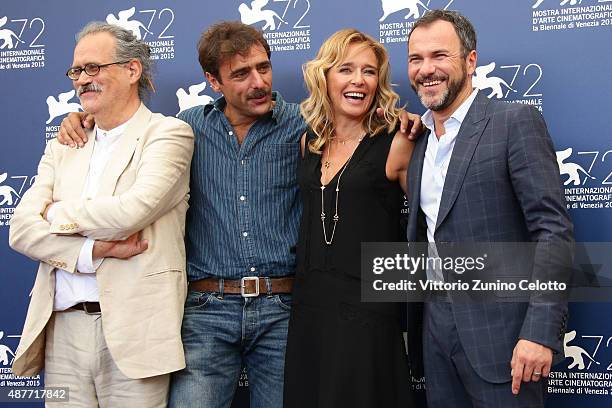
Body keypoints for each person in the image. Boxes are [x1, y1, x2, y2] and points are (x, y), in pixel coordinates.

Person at [57, 21, 422, 408]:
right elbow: (130, 130)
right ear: (214, 81)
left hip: (285, 310)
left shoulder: (306, 127)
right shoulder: (186, 128)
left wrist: (408, 118)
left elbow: (361, 129)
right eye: (241, 74)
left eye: (263, 68)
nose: (259, 82)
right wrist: (87, 119)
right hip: (206, 310)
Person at [9, 22, 194, 407]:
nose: (81, 80)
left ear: (132, 70)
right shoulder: (63, 145)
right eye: (77, 71)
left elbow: (133, 210)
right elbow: (21, 230)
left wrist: (56, 214)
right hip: (61, 333)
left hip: (137, 334)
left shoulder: (168, 134)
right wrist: (91, 252)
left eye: (93, 68)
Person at [405, 10, 573, 407]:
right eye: (416, 59)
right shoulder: (418, 141)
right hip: (435, 334)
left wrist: (539, 332)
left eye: (439, 56)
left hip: (505, 339)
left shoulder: (514, 121)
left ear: (470, 61)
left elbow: (552, 232)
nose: (426, 70)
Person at [283, 29, 415, 408]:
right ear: (324, 77)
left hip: (368, 312)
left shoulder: (398, 140)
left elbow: (434, 222)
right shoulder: (309, 142)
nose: (359, 80)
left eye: (369, 72)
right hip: (311, 306)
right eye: (346, 69)